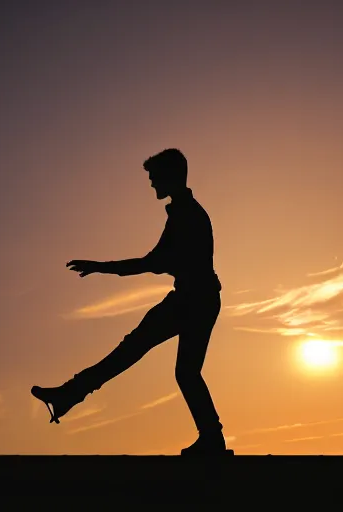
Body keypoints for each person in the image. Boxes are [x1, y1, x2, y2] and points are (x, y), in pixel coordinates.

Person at [31, 148, 229, 455]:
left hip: (194, 300)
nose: (151, 184)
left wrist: (101, 267)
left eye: (154, 178)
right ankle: (212, 438)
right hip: (197, 298)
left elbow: (151, 262)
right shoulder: (183, 212)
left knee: (138, 352)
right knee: (182, 370)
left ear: (169, 176)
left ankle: (69, 395)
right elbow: (157, 261)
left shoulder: (187, 215)